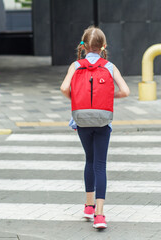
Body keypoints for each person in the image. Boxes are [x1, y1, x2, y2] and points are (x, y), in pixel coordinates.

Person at [60, 26, 130, 229]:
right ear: (103, 46)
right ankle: (100, 214)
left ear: (84, 45)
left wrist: (76, 100)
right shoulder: (109, 66)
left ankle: (88, 206)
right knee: (100, 164)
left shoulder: (75, 65)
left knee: (89, 160)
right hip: (102, 120)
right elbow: (125, 91)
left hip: (81, 120)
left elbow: (64, 88)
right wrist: (109, 97)